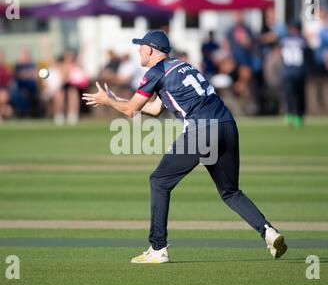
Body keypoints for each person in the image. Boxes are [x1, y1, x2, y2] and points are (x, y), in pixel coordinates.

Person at [82, 30, 288, 263]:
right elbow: (153, 109)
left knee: (159, 181)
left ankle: (158, 249)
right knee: (230, 191)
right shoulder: (183, 66)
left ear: (150, 49)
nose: (138, 50)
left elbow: (131, 111)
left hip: (202, 130)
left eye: (141, 46)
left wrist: (108, 101)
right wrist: (116, 100)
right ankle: (269, 232)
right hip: (227, 125)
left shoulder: (155, 71)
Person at [280, 21, 309, 127]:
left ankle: (293, 115)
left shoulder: (284, 40)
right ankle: (294, 115)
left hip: (290, 72)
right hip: (297, 71)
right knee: (295, 94)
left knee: (292, 94)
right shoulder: (302, 39)